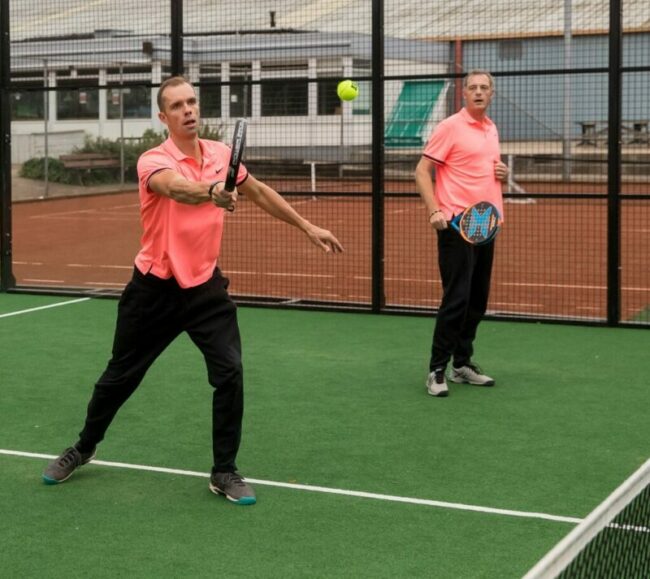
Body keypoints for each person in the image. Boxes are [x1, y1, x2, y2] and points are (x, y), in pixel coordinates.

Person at [42, 76, 344, 504]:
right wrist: (212, 192)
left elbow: (256, 191)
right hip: (153, 290)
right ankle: (84, 446)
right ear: (163, 117)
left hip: (205, 290)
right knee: (119, 378)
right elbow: (174, 188)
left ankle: (225, 470)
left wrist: (307, 225)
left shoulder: (221, 155)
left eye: (192, 102)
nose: (188, 111)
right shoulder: (152, 160)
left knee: (230, 373)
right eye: (177, 106)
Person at [414, 70, 507, 398]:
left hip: (486, 226)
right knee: (457, 299)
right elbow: (422, 171)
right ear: (463, 94)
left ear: (491, 94)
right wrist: (434, 210)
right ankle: (436, 370)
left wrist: (502, 172)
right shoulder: (450, 127)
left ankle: (462, 364)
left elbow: (484, 170)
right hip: (456, 226)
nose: (479, 92)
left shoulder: (491, 128)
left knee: (477, 300)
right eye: (473, 88)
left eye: (484, 88)